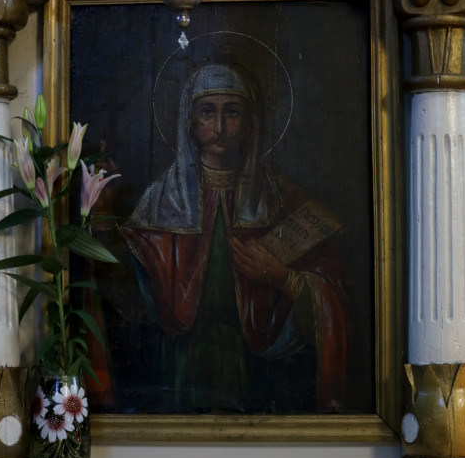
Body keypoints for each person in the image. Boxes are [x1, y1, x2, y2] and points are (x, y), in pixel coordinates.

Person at [120, 62, 349, 414]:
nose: (219, 128)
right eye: (207, 113)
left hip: (262, 374)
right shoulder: (161, 201)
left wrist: (282, 277)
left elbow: (334, 293)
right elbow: (128, 292)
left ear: (250, 123)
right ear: (190, 122)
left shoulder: (282, 199)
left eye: (232, 113)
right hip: (180, 370)